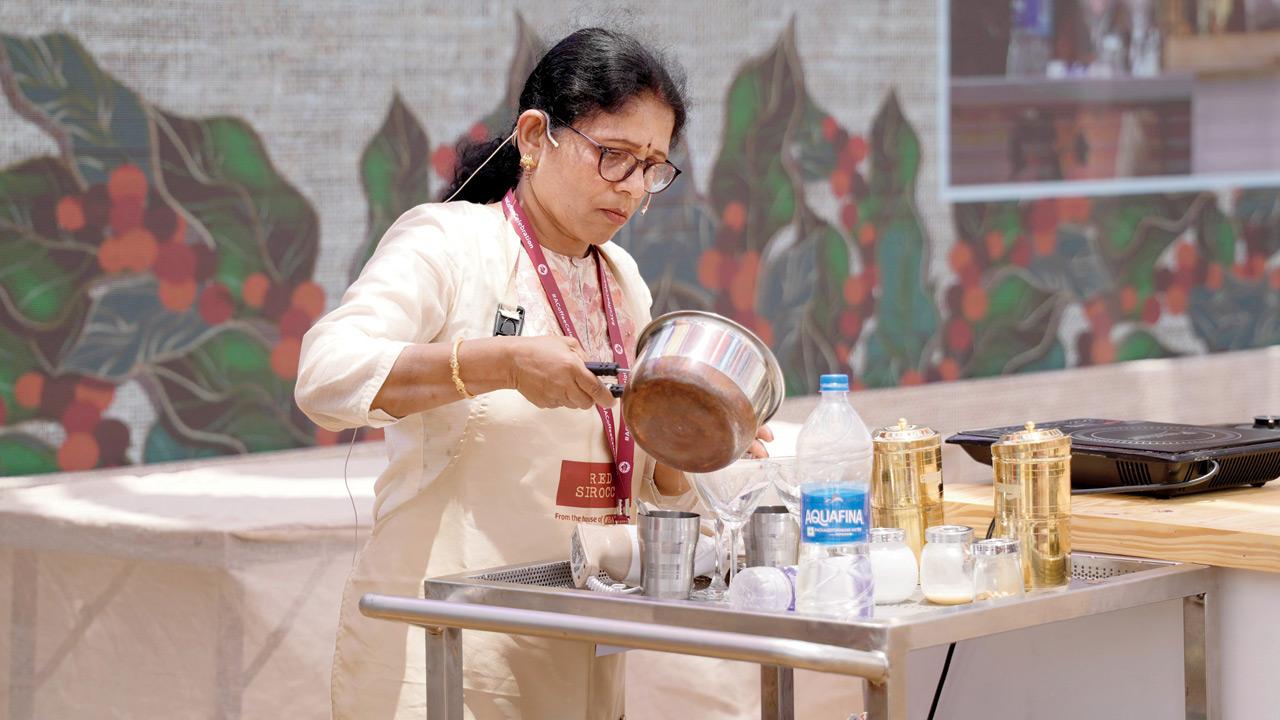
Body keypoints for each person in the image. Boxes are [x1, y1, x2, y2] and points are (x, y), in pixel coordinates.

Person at [296, 27, 769, 719]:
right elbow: (326, 375)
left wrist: (684, 445)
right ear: (533, 137)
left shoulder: (623, 281)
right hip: (447, 650)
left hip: (577, 641)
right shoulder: (449, 242)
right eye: (613, 156)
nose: (634, 189)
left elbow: (643, 489)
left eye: (653, 167)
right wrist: (501, 363)